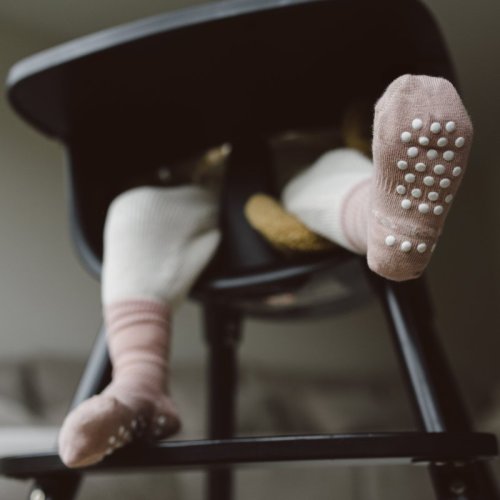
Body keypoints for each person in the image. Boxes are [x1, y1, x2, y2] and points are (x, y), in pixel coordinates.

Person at [58, 74, 473, 468]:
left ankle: (391, 226)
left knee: (335, 176)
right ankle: (138, 388)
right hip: (206, 178)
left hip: (300, 156)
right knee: (136, 210)